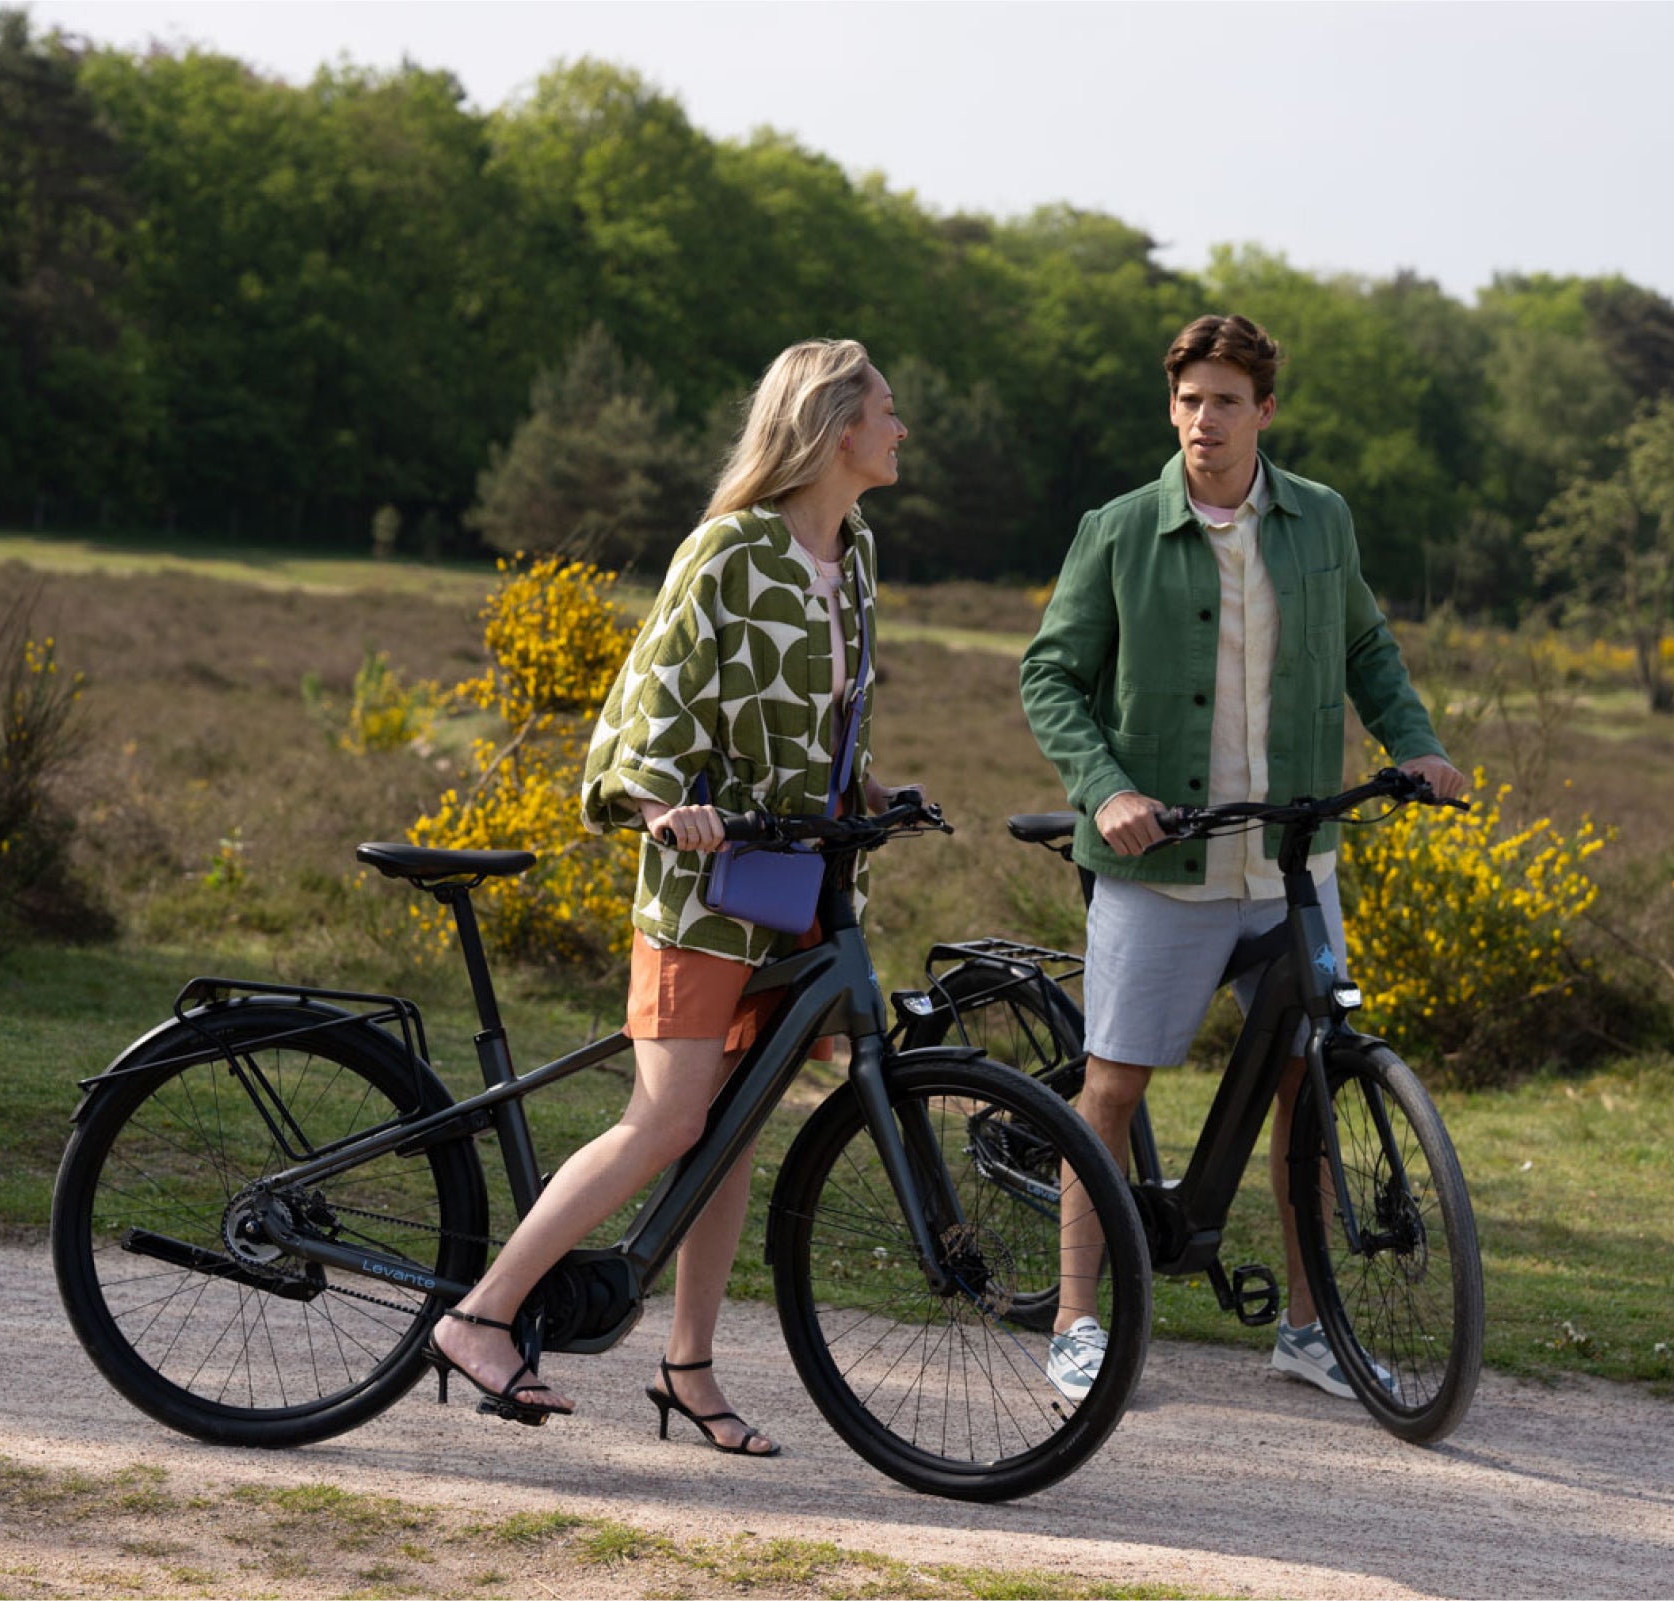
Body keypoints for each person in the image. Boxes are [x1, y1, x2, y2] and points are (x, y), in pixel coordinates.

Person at [427, 338, 914, 1456]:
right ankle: (481, 1312)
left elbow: (829, 709)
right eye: (886, 413)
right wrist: (654, 804)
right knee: (667, 1116)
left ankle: (685, 1365)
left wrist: (870, 785)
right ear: (835, 426)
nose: (899, 432)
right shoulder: (729, 549)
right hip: (706, 880)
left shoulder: (858, 551)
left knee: (728, 1133)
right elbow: (652, 688)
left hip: (796, 878)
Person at [1021, 313, 1466, 1404]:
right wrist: (1108, 788)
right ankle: (1076, 1320)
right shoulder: (1119, 527)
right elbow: (1049, 676)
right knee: (1112, 1088)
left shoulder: (1319, 521)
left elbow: (1365, 645)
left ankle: (1308, 1330)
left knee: (1302, 1091)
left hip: (1292, 862)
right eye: (1185, 400)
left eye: (1224, 400)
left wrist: (1412, 740)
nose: (1201, 421)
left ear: (1264, 409)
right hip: (1159, 865)